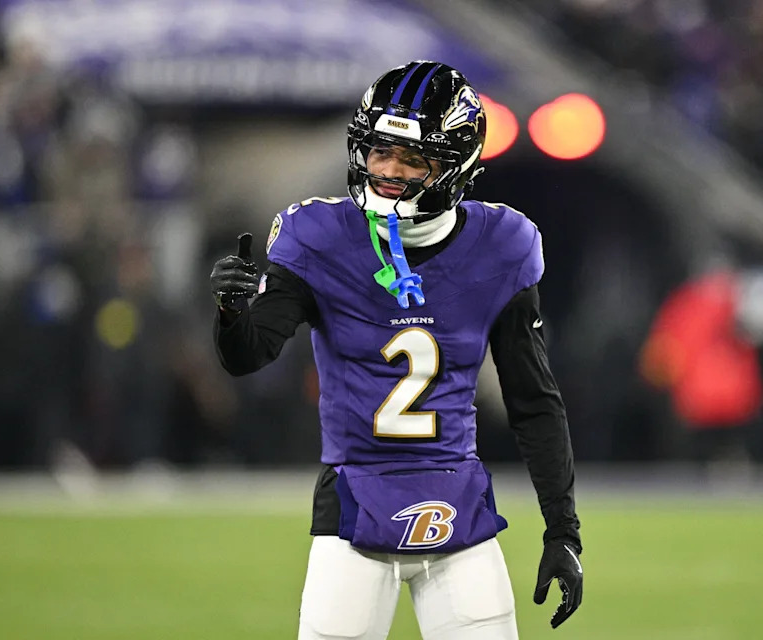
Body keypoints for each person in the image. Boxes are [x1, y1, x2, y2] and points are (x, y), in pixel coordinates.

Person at [210, 61, 582, 639]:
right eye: (379, 151)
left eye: (411, 159)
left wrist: (563, 530)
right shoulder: (321, 237)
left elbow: (534, 400)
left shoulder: (501, 246)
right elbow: (248, 355)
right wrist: (232, 312)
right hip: (355, 504)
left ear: (455, 167)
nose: (388, 171)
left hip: (458, 507)